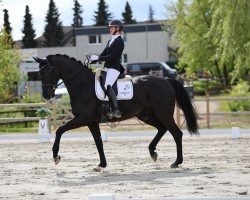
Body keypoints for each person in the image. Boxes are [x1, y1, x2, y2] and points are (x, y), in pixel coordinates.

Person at [89, 19, 125, 119]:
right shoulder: (110, 41)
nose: (109, 29)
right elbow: (104, 54)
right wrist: (92, 60)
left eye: (111, 27)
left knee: (107, 85)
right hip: (107, 68)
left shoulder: (120, 42)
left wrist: (98, 58)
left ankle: (116, 109)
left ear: (117, 28)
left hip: (114, 69)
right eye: (109, 27)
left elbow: (112, 57)